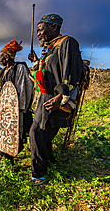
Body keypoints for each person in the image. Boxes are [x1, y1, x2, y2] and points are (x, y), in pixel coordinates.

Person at [27, 14, 84, 185]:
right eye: (37, 31)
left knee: (36, 132)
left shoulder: (67, 42)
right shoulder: (51, 48)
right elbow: (50, 71)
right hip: (46, 95)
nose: (38, 34)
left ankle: (39, 174)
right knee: (44, 131)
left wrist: (61, 96)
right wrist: (37, 61)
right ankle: (49, 161)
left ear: (54, 27)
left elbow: (71, 70)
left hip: (56, 96)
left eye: (41, 29)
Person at [0, 40, 34, 165]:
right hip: (6, 110)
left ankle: (11, 158)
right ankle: (2, 154)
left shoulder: (19, 68)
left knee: (16, 133)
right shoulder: (3, 72)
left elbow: (23, 89)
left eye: (0, 57)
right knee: (4, 131)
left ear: (7, 56)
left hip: (16, 109)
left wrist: (19, 108)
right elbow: (6, 90)